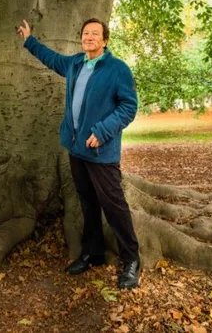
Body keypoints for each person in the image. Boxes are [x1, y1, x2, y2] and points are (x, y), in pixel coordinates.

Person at [16, 18, 141, 289]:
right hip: (77, 150)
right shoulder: (75, 63)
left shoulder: (117, 69)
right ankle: (93, 253)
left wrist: (104, 130)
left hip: (102, 152)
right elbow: (51, 58)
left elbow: (129, 107)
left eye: (96, 34)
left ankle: (132, 260)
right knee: (87, 203)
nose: (90, 37)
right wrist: (29, 41)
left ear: (105, 40)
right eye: (86, 33)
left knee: (114, 206)